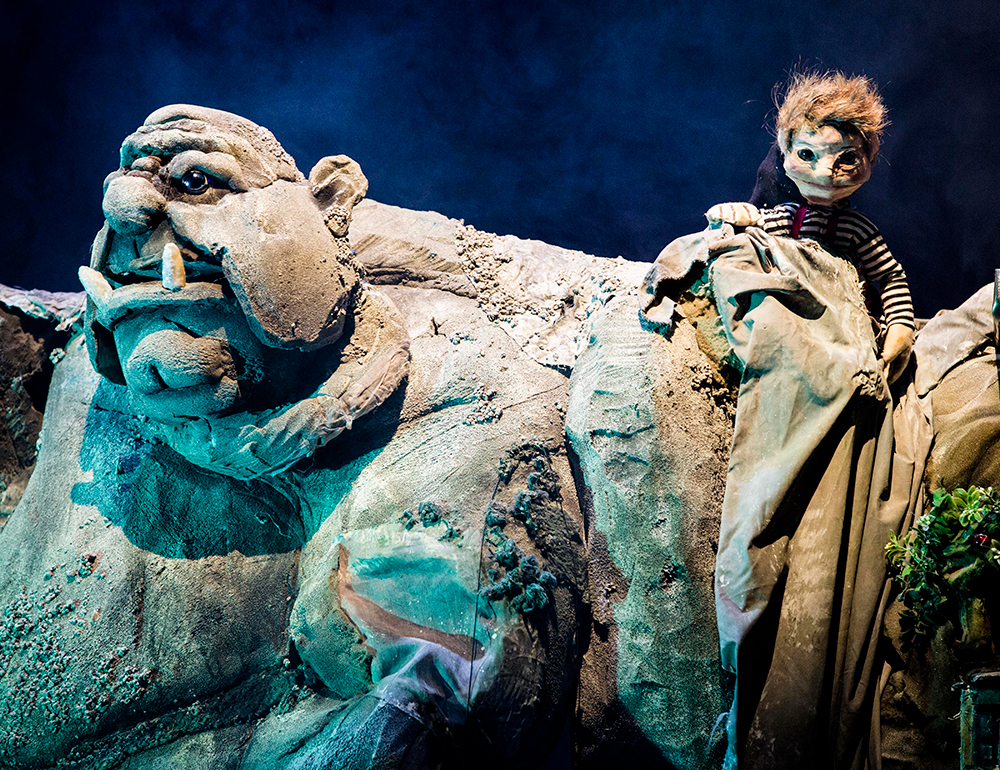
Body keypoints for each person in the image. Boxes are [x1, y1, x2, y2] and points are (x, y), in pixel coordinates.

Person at [707, 71, 915, 384]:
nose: (825, 173)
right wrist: (740, 216)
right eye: (807, 154)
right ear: (784, 149)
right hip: (782, 329)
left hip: (842, 333)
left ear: (869, 160)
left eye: (846, 158)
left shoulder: (855, 228)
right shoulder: (786, 216)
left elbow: (888, 276)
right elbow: (755, 235)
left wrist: (901, 326)